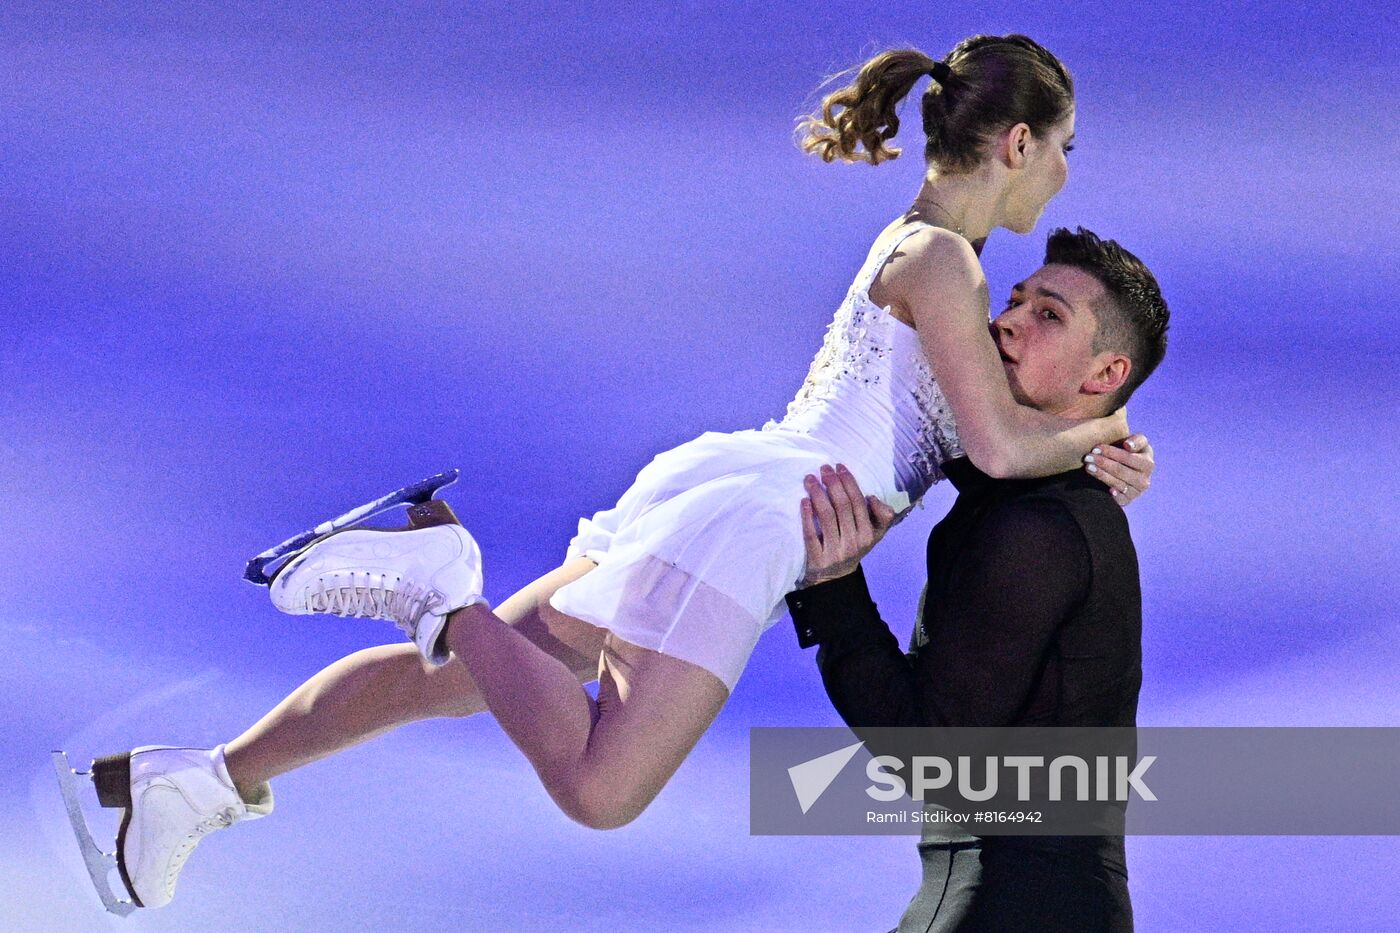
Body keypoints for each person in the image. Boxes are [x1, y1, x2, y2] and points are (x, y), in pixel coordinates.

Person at [69, 35, 1153, 911]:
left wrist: (1097, 443)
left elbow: (980, 441)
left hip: (742, 486)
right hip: (766, 521)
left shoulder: (932, 257)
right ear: (1016, 142)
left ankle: (188, 783)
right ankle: (437, 585)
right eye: (1062, 147)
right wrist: (1101, 430)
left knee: (449, 687)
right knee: (601, 787)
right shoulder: (945, 265)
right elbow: (1007, 450)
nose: (1062, 172)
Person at [786, 227, 1168, 932]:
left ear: (1105, 374)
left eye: (1047, 314)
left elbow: (930, 752)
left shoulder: (1039, 528)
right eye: (1015, 300)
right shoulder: (1023, 502)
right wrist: (1107, 428)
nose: (1007, 319)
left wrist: (835, 587)